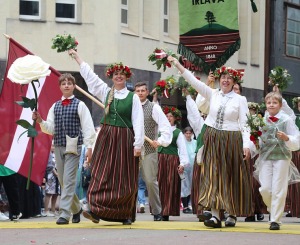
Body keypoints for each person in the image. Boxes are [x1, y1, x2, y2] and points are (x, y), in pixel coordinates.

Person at [168, 56, 252, 228]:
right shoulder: (213, 94)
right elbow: (193, 81)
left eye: (229, 78)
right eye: (223, 78)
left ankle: (231, 213)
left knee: (231, 176)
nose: (226, 80)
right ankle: (215, 216)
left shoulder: (240, 100)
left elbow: (245, 124)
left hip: (231, 139)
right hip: (213, 137)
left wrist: (246, 145)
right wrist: (178, 64)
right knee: (213, 175)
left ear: (234, 81)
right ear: (220, 80)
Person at [69, 49, 144, 225]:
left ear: (126, 77)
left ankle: (124, 214)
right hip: (107, 137)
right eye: (116, 74)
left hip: (125, 138)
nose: (118, 77)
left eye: (121, 74)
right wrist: (78, 58)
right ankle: (96, 209)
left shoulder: (133, 98)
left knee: (124, 176)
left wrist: (138, 144)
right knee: (101, 173)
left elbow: (138, 121)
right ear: (112, 77)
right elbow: (91, 77)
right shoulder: (106, 92)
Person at [32, 73, 96, 225]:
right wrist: (40, 120)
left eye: (69, 83)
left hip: (74, 146)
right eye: (63, 83)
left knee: (68, 181)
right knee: (63, 181)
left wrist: (89, 147)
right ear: (60, 87)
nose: (66, 85)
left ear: (74, 86)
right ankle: (77, 208)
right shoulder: (55, 106)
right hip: (59, 145)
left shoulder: (80, 105)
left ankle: (64, 213)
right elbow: (50, 128)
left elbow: (88, 127)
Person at [252, 92, 300, 230]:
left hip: (282, 157)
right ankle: (272, 207)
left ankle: (275, 220)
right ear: (265, 105)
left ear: (280, 105)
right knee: (265, 189)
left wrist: (287, 138)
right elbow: (258, 138)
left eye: (274, 103)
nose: (271, 105)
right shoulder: (261, 120)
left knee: (279, 188)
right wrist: (254, 143)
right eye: (269, 103)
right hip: (265, 157)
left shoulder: (286, 120)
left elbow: (296, 138)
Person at [134, 82, 172, 221]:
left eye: (143, 90)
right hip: (131, 149)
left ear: (147, 92)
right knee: (129, 182)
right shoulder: (130, 108)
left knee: (150, 181)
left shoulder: (153, 108)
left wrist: (160, 141)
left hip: (149, 149)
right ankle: (126, 212)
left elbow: (165, 125)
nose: (140, 93)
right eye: (138, 91)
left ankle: (157, 211)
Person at [157, 106, 189, 221]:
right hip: (159, 159)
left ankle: (166, 211)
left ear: (175, 118)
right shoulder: (159, 130)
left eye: (170, 116)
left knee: (169, 185)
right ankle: (158, 211)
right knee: (159, 184)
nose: (168, 118)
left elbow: (183, 149)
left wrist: (182, 164)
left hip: (171, 160)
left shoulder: (177, 132)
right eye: (166, 116)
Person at [181, 126, 197, 214]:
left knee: (191, 186)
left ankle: (190, 205)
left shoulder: (195, 142)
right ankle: (185, 206)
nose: (188, 135)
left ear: (192, 134)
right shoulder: (182, 142)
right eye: (186, 133)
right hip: (184, 167)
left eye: (189, 133)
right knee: (184, 186)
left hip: (193, 167)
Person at [43, 145, 60, 217]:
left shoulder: (57, 154)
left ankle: (53, 210)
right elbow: (49, 165)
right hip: (51, 175)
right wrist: (55, 173)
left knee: (56, 193)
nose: (54, 147)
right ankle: (46, 210)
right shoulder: (48, 154)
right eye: (52, 146)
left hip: (58, 175)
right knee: (49, 193)